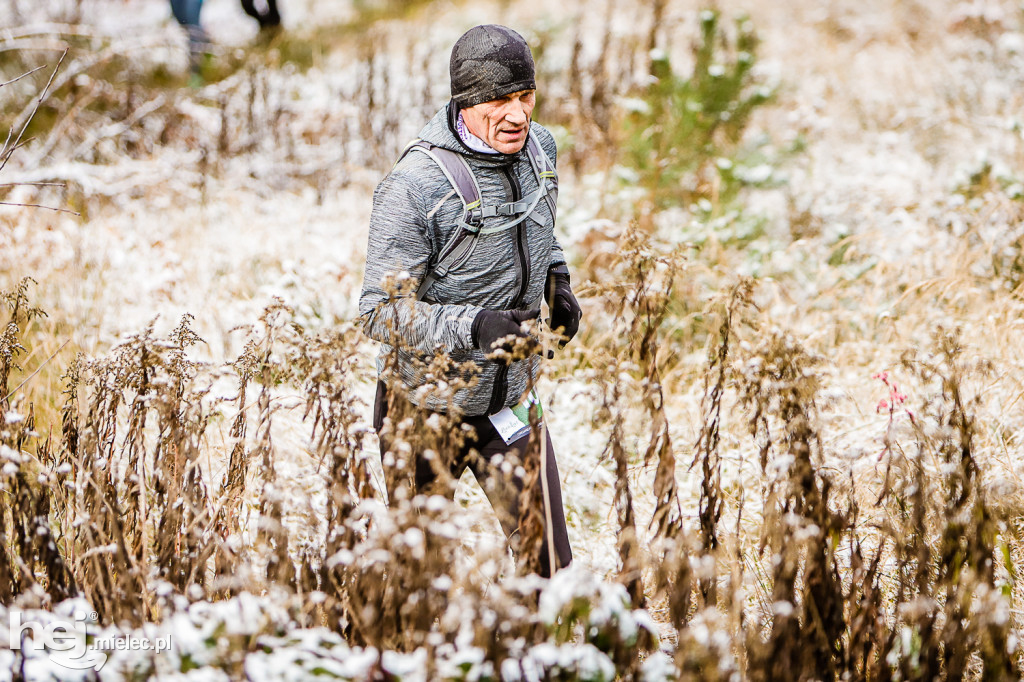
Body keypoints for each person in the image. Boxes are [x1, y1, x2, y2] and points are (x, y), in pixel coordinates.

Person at [358, 24, 582, 578]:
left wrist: (559, 278)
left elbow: (539, 230)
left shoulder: (541, 152)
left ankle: (533, 663)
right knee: (419, 577)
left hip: (511, 398)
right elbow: (378, 312)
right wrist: (476, 326)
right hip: (423, 408)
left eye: (525, 96)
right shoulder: (413, 186)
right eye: (498, 100)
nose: (517, 115)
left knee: (549, 563)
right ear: (464, 101)